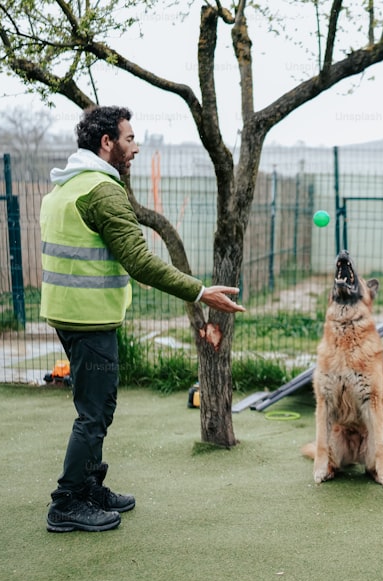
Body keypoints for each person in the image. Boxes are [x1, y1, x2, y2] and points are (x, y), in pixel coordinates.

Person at [41, 105, 246, 533]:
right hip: (88, 318)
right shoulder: (101, 190)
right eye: (130, 139)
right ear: (107, 143)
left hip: (70, 314)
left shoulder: (65, 186)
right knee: (93, 413)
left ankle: (90, 486)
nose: (135, 147)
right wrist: (199, 290)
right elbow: (138, 260)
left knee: (101, 404)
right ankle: (67, 502)